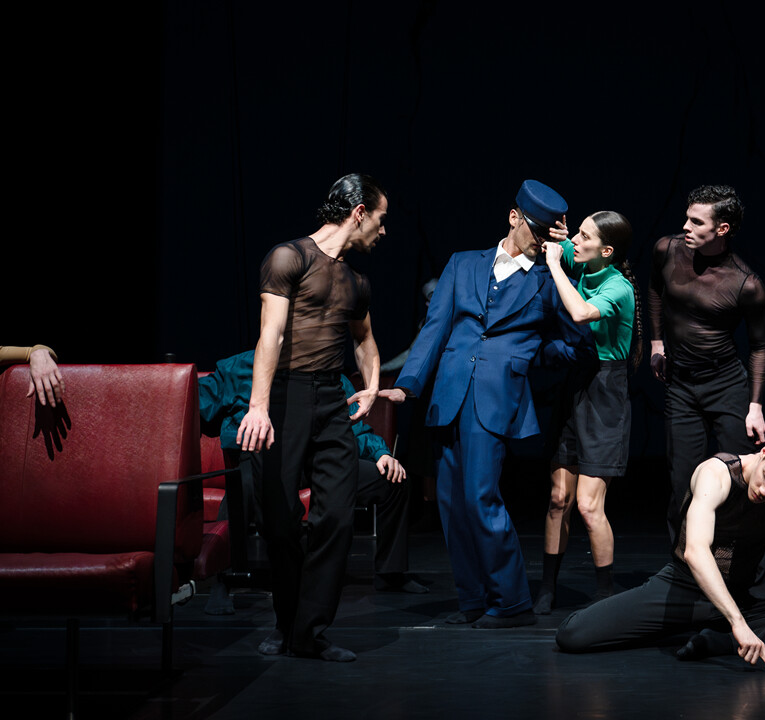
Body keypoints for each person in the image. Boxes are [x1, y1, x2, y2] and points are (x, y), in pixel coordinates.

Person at [383, 179, 595, 629]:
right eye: (536, 230)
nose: (540, 241)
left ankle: (511, 602)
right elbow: (435, 328)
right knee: (450, 503)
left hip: (496, 397)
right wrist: (408, 385)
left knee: (481, 497)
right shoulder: (463, 264)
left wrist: (526, 357)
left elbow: (578, 345)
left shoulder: (547, 281)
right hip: (449, 393)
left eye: (549, 234)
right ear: (514, 217)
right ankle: (473, 599)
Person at [236, 173, 388, 662]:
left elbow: (364, 341)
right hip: (285, 395)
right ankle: (287, 625)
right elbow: (271, 335)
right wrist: (258, 406)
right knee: (280, 523)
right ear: (359, 213)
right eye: (380, 219)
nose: (383, 231)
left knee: (337, 517)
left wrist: (371, 387)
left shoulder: (357, 281)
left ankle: (310, 633)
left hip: (331, 400)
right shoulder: (289, 258)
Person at [555, 436, 765, 673]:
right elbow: (696, 551)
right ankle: (724, 631)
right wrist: (738, 623)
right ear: (764, 452)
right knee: (572, 634)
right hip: (684, 590)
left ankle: (719, 641)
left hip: (739, 597)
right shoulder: (716, 474)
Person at [198, 350, 427, 606]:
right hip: (262, 458)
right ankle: (223, 579)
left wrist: (381, 453)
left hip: (316, 460)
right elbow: (194, 402)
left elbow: (353, 427)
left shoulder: (325, 372)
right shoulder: (239, 367)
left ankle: (390, 573)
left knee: (392, 481)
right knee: (241, 488)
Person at [533, 211, 642, 613]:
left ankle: (605, 594)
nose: (575, 241)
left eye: (584, 236)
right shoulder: (583, 261)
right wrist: (562, 241)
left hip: (605, 392)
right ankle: (547, 587)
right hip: (574, 384)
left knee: (588, 505)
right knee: (558, 497)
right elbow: (558, 246)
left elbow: (580, 312)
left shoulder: (618, 287)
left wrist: (554, 265)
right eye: (576, 232)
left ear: (606, 251)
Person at [647, 185, 765, 540]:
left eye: (697, 222)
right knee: (682, 482)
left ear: (722, 229)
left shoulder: (746, 283)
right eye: (687, 217)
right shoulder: (667, 249)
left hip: (726, 384)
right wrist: (656, 343)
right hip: (682, 385)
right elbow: (654, 289)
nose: (686, 226)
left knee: (738, 477)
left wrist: (755, 406)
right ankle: (681, 563)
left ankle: (740, 564)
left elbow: (760, 347)